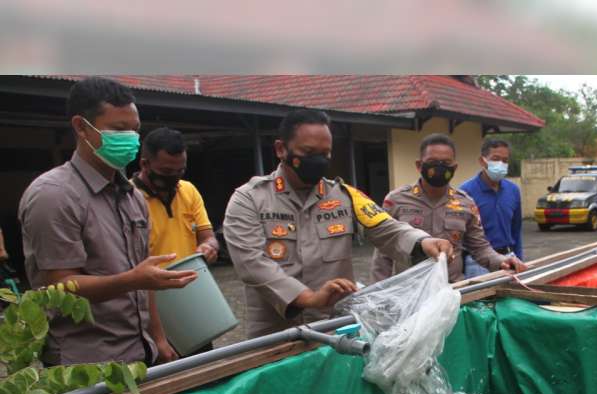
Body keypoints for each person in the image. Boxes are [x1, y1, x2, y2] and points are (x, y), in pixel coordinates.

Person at [223, 109, 453, 338]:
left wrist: (424, 241)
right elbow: (252, 264)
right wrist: (307, 298)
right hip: (275, 334)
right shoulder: (250, 199)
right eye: (309, 152)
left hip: (336, 330)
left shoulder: (345, 196)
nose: (318, 160)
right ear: (281, 149)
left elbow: (387, 229)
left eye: (325, 153)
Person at [17, 77, 197, 366]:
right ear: (80, 127)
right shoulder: (54, 196)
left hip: (141, 352)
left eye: (135, 130)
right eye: (118, 129)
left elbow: (144, 275)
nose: (131, 139)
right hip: (87, 363)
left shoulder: (131, 196)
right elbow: (59, 285)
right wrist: (132, 281)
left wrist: (159, 339)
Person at [370, 133, 526, 283]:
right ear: (419, 165)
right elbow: (383, 251)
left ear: (455, 167)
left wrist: (501, 261)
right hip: (410, 289)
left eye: (446, 163)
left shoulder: (465, 203)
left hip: (451, 289)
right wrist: (378, 293)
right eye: (433, 161)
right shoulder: (396, 200)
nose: (439, 167)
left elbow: (480, 248)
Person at [132, 127, 219, 264]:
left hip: (193, 279)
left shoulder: (188, 190)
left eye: (180, 171)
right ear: (144, 164)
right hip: (149, 283)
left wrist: (209, 246)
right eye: (167, 171)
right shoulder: (127, 198)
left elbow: (208, 236)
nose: (174, 176)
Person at [459, 138, 523, 279]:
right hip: (478, 263)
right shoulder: (465, 192)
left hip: (509, 258)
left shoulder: (513, 191)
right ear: (482, 161)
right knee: (482, 301)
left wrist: (519, 258)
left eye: (505, 160)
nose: (501, 164)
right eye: (496, 159)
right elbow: (460, 234)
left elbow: (516, 229)